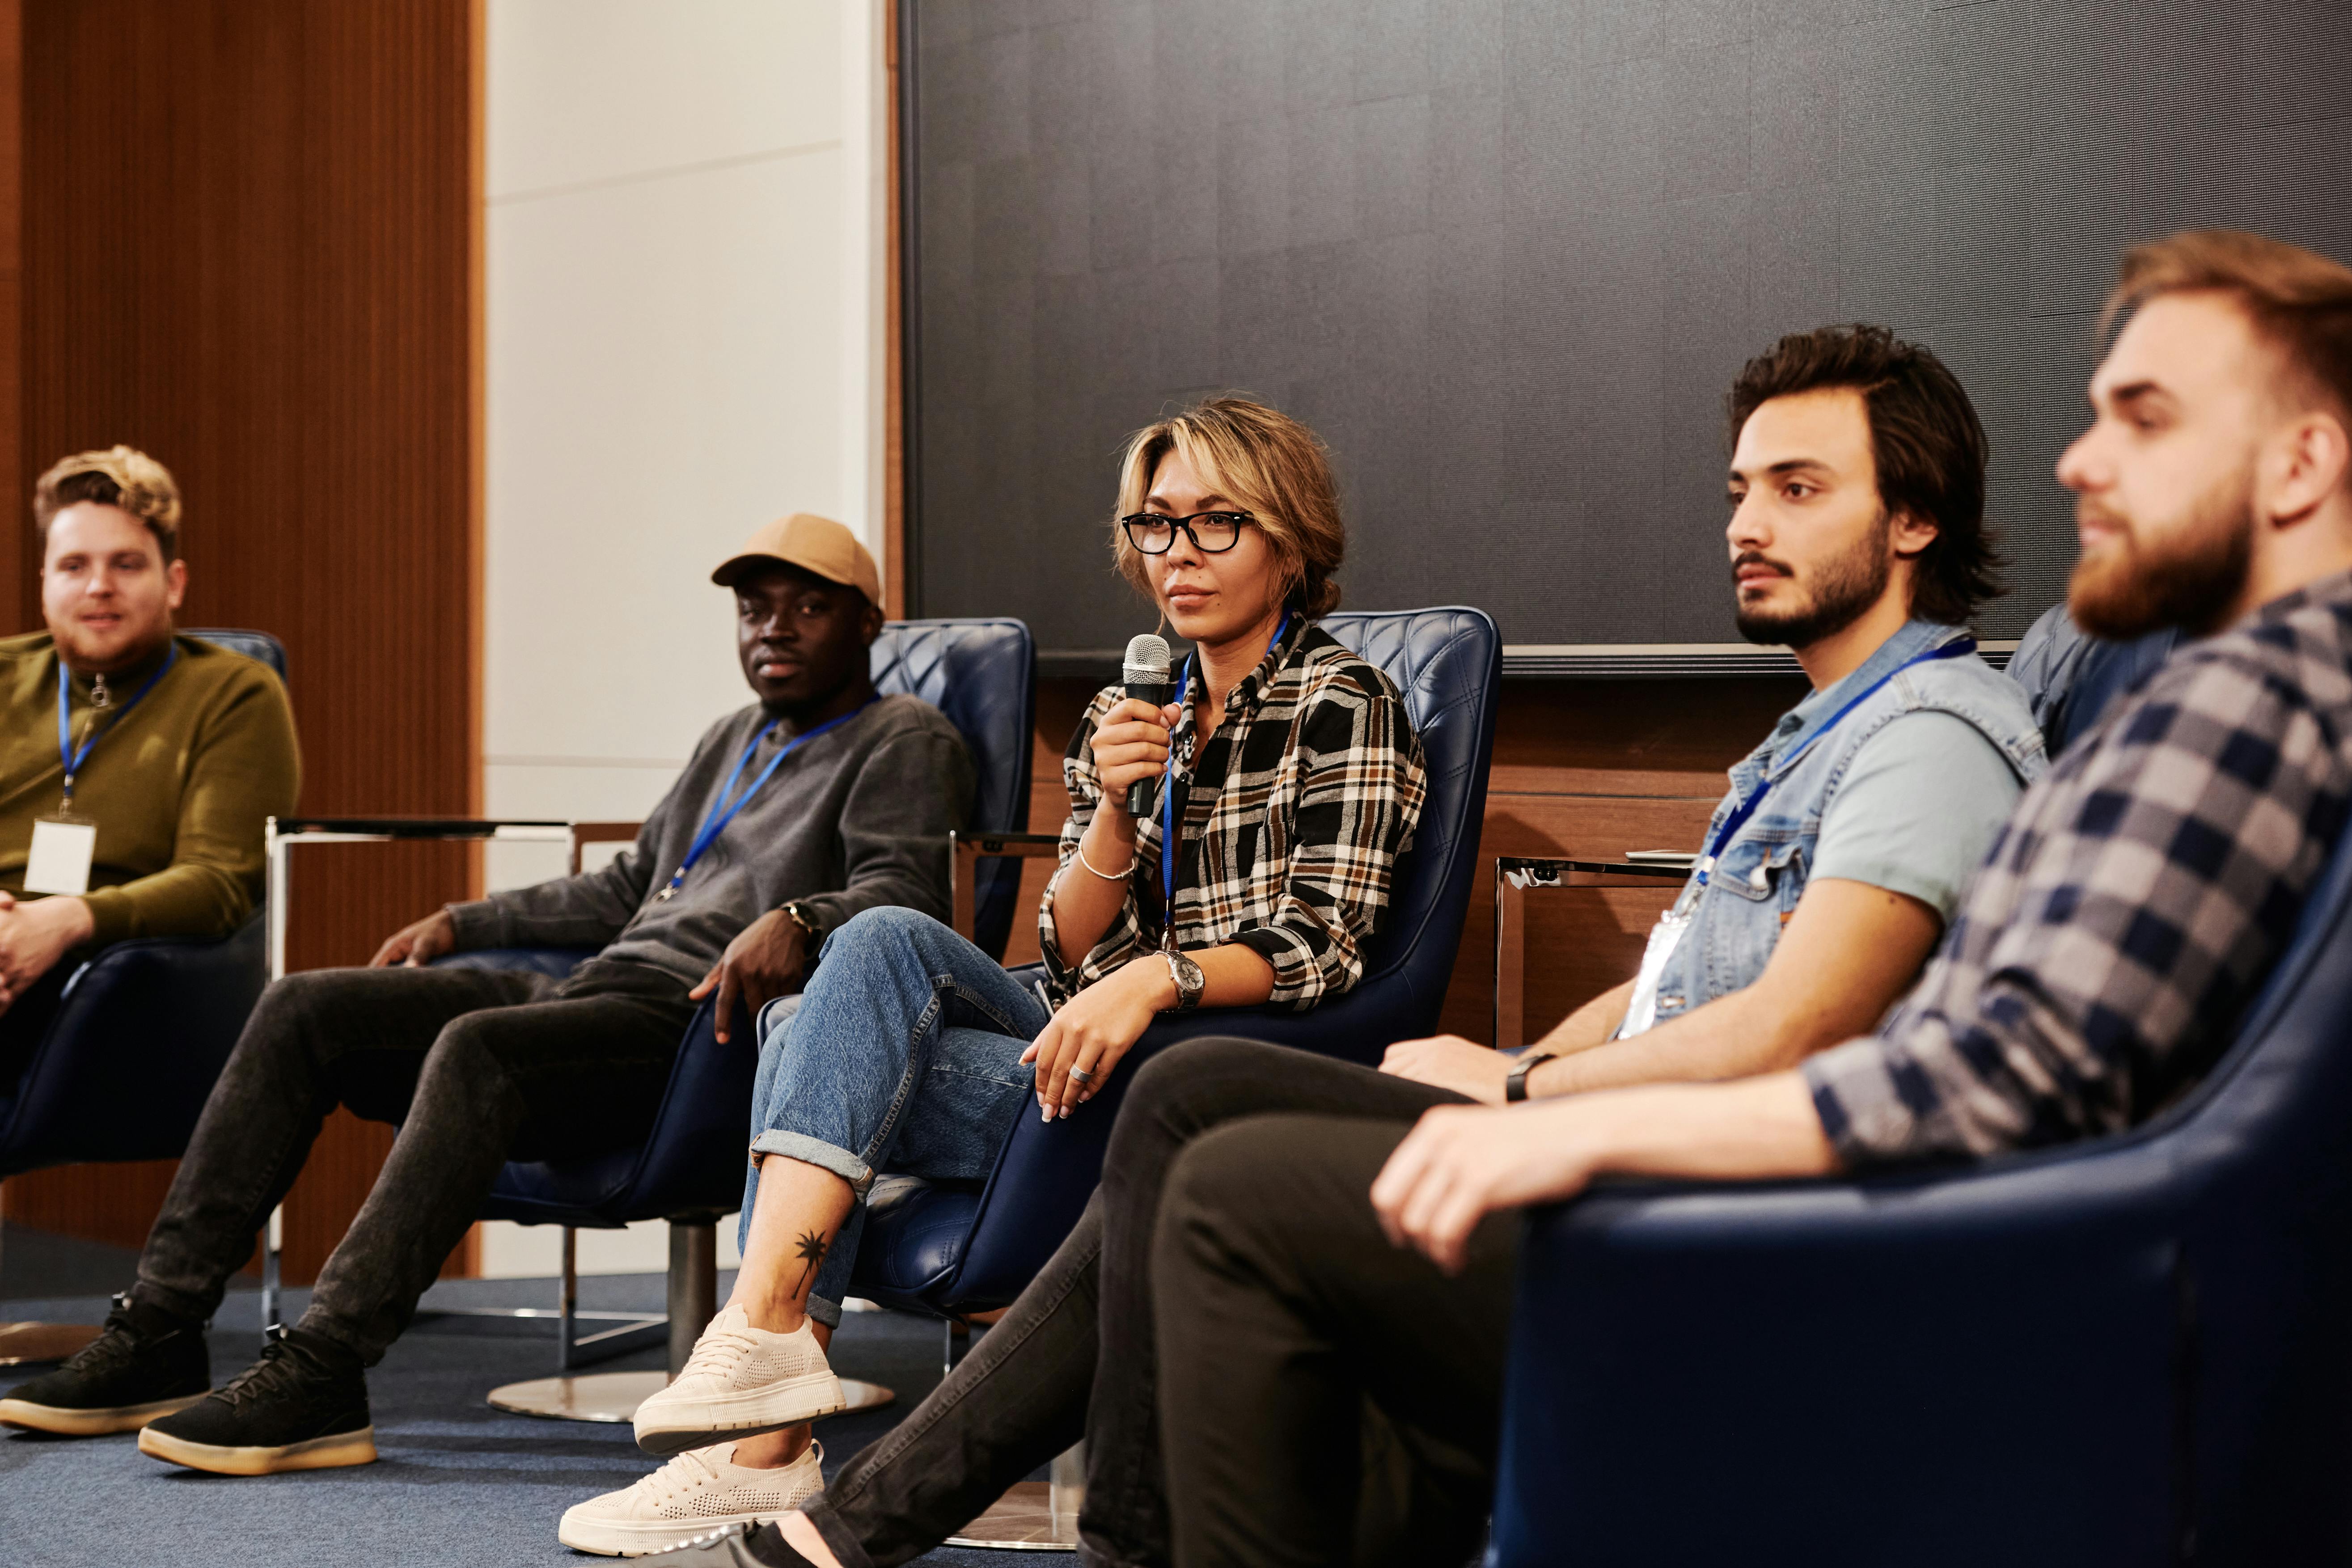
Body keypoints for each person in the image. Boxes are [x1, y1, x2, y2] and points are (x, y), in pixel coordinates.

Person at [640, 322, 2052, 1568]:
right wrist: (1122, 807)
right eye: (1739, 489)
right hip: (1188, 1052)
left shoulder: (1929, 737)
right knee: (878, 952)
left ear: (1913, 516)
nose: (1746, 520)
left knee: (1186, 1100)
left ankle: (852, 1500)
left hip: (1660, 1185)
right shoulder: (1804, 743)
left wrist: (1505, 1093)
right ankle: (797, 1400)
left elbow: (1795, 1028)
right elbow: (1675, 974)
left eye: (1797, 489)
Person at [1111, 227, 2352, 1566]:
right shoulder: (2213, 690)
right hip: (1908, 1230)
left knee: (1239, 1184)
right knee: (1237, 1148)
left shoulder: (2239, 693)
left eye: (2143, 417)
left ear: (2302, 461)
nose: (2076, 462)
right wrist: (1536, 1076)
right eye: (1738, 490)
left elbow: (1981, 1076)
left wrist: (1553, 1118)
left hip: (1900, 1274)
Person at [556, 396, 1430, 1557]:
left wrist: (1155, 981)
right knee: (831, 988)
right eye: (1157, 525)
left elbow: (1325, 942)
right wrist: (1114, 803)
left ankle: (764, 1412)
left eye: (1217, 523)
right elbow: (1070, 942)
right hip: (1074, 1037)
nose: (1178, 554)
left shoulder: (1345, 705)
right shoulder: (1133, 709)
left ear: (1288, 536)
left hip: (1197, 1068)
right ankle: (766, 1375)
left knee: (835, 997)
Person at [0, 512, 975, 1480]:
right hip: (605, 990)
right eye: (756, 608)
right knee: (307, 1007)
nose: (773, 627)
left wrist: (802, 919)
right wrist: (462, 922)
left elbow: (905, 897)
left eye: (809, 607)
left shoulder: (902, 736)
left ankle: (323, 1367)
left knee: (480, 1047)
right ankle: (160, 1326)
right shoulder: (734, 735)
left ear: (869, 626)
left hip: (703, 1028)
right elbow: (625, 888)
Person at [0, 446, 300, 1084]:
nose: (98, 585)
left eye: (126, 564)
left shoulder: (233, 693)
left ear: (175, 583)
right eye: (74, 565)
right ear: (45, 585)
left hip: (114, 989)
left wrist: (67, 920)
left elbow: (218, 882)